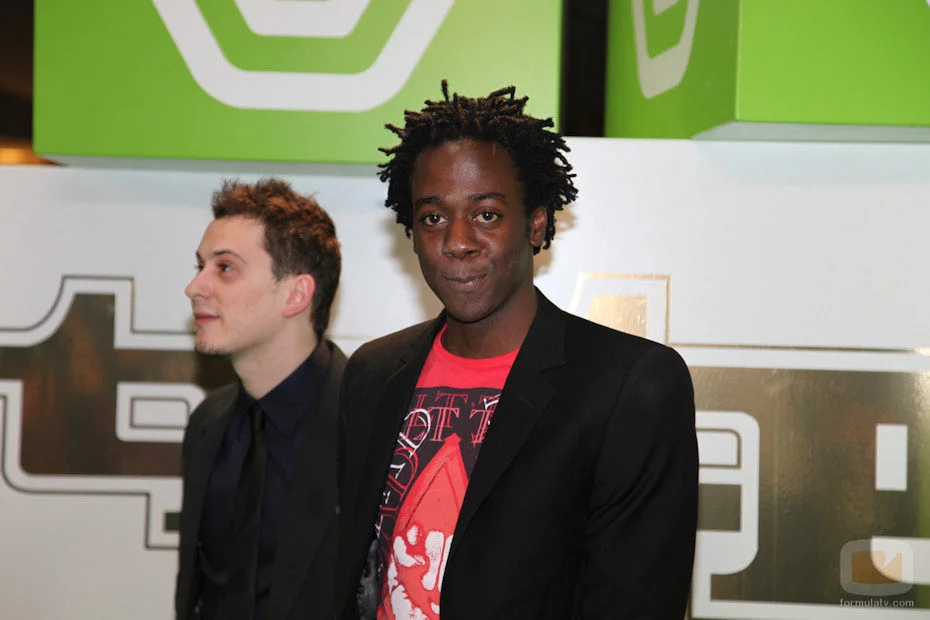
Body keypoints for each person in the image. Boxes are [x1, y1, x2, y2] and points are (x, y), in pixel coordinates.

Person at [335, 83, 698, 619]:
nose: (458, 241)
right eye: (434, 217)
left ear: (535, 222)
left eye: (486, 214)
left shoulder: (628, 385)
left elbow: (636, 601)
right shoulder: (373, 372)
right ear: (411, 231)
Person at [175, 178, 345, 620]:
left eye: (224, 268)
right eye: (200, 266)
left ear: (296, 294)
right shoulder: (208, 423)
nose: (194, 287)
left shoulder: (371, 422)